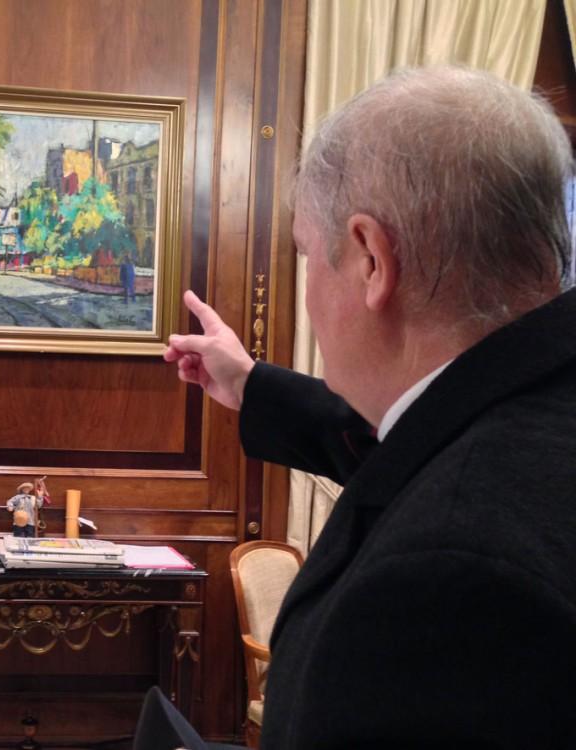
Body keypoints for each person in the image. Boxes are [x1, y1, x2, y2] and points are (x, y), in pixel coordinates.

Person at [162, 66, 576, 748]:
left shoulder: (441, 585)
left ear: (371, 261)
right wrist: (252, 385)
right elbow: (429, 442)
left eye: (304, 255)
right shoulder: (535, 403)